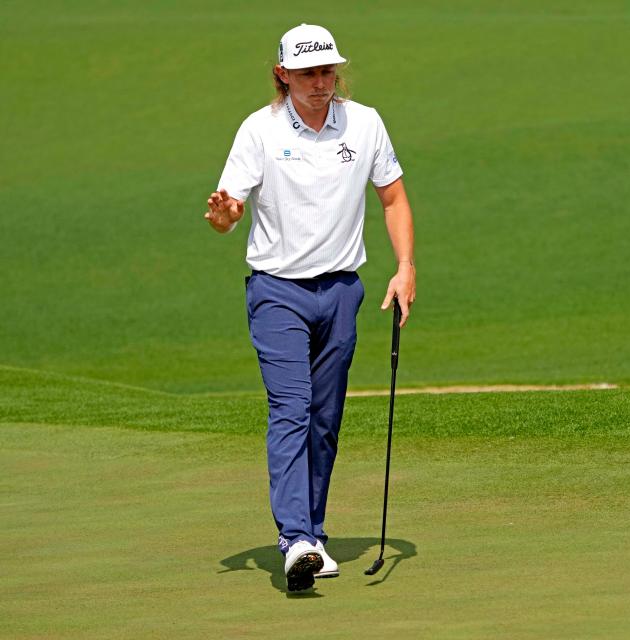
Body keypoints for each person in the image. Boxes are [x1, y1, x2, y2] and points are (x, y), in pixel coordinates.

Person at [203, 23, 416, 592]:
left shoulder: (364, 123)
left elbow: (392, 197)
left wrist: (405, 267)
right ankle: (295, 535)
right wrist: (224, 215)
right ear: (283, 75)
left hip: (343, 290)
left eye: (327, 71)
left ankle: (312, 536)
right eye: (308, 73)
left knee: (325, 419)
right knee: (291, 408)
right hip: (278, 291)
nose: (321, 83)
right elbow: (229, 211)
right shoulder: (261, 131)